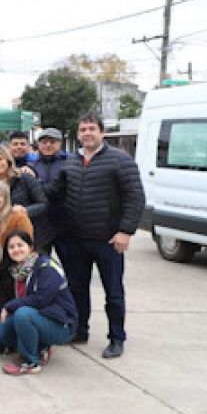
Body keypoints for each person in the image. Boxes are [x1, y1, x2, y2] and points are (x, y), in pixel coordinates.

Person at [46, 112, 144, 358]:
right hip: (76, 239)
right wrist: (22, 179)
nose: (87, 133)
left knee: (113, 292)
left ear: (102, 132)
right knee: (77, 289)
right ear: (78, 134)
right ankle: (80, 330)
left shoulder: (120, 160)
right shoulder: (70, 162)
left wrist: (125, 231)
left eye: (92, 128)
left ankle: (117, 338)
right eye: (83, 130)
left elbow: (135, 197)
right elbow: (52, 193)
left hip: (108, 240)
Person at [0, 230, 77, 375]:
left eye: (20, 245)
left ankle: (30, 362)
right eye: (11, 247)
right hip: (36, 317)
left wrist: (10, 306)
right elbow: (2, 304)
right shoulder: (12, 270)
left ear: (31, 247)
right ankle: (40, 346)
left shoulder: (47, 267)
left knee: (23, 314)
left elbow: (42, 299)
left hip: (60, 323)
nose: (16, 250)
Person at [0, 145, 54, 253]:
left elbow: (43, 204)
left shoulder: (24, 178)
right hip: (4, 237)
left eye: (0, 159)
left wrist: (25, 210)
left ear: (8, 160)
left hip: (34, 236)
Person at [0, 179, 34, 305]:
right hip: (1, 271)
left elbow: (27, 247)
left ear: (6, 197)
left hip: (21, 270)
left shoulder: (18, 217)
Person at [29, 128, 69, 258]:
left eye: (52, 142)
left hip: (64, 224)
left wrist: (38, 186)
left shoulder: (70, 163)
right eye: (44, 142)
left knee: (70, 264)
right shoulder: (31, 165)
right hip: (40, 225)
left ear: (60, 144)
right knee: (41, 264)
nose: (48, 145)